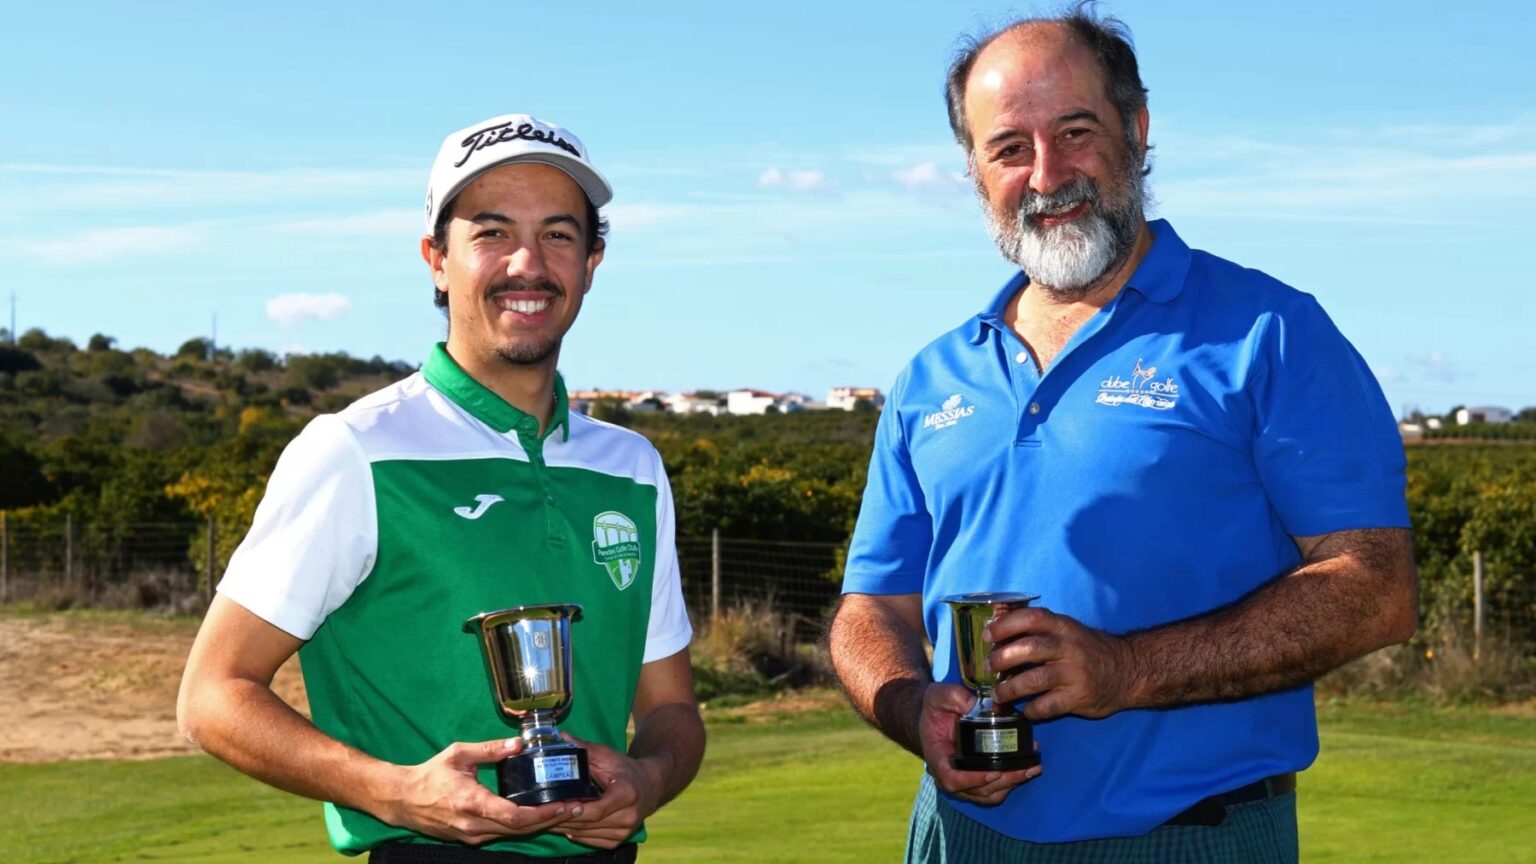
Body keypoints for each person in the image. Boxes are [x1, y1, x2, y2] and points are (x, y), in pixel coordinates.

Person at [827, 7, 1417, 862]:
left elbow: (1376, 588)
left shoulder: (1270, 331)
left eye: (1075, 131)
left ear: (1137, 131)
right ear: (974, 170)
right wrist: (910, 707)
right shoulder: (933, 377)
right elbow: (870, 609)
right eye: (1009, 148)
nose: (1045, 172)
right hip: (959, 836)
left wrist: (1126, 670)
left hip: (1193, 840)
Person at [178, 113, 705, 864]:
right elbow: (212, 696)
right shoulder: (355, 449)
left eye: (558, 234)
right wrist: (396, 792)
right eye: (491, 233)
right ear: (436, 258)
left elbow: (672, 709)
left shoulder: (631, 466)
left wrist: (645, 782)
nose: (528, 263)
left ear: (592, 261)